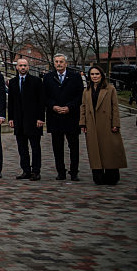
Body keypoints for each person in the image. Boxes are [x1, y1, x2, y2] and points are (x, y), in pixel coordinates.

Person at [80, 64, 127, 185]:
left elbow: (115, 107)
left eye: (97, 74)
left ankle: (112, 176)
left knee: (109, 150)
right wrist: (83, 123)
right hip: (92, 124)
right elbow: (83, 107)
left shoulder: (110, 89)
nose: (94, 76)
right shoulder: (87, 90)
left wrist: (115, 123)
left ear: (102, 75)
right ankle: (98, 175)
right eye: (92, 74)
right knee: (95, 151)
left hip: (107, 124)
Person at [43, 53, 83, 181]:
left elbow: (80, 95)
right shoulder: (48, 77)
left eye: (61, 61)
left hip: (71, 116)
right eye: (56, 62)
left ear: (66, 63)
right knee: (57, 147)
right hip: (55, 116)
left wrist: (69, 107)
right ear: (53, 63)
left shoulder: (75, 77)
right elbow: (44, 96)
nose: (59, 64)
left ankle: (74, 171)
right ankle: (60, 171)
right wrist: (53, 106)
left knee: (74, 146)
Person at [8, 57, 45, 180]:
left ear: (28, 67)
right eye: (20, 65)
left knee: (35, 147)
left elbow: (41, 101)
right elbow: (11, 102)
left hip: (33, 120)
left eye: (25, 65)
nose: (23, 67)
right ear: (17, 67)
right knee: (22, 147)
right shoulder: (12, 82)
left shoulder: (36, 81)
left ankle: (36, 171)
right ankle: (26, 170)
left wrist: (40, 118)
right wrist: (11, 118)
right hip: (19, 120)